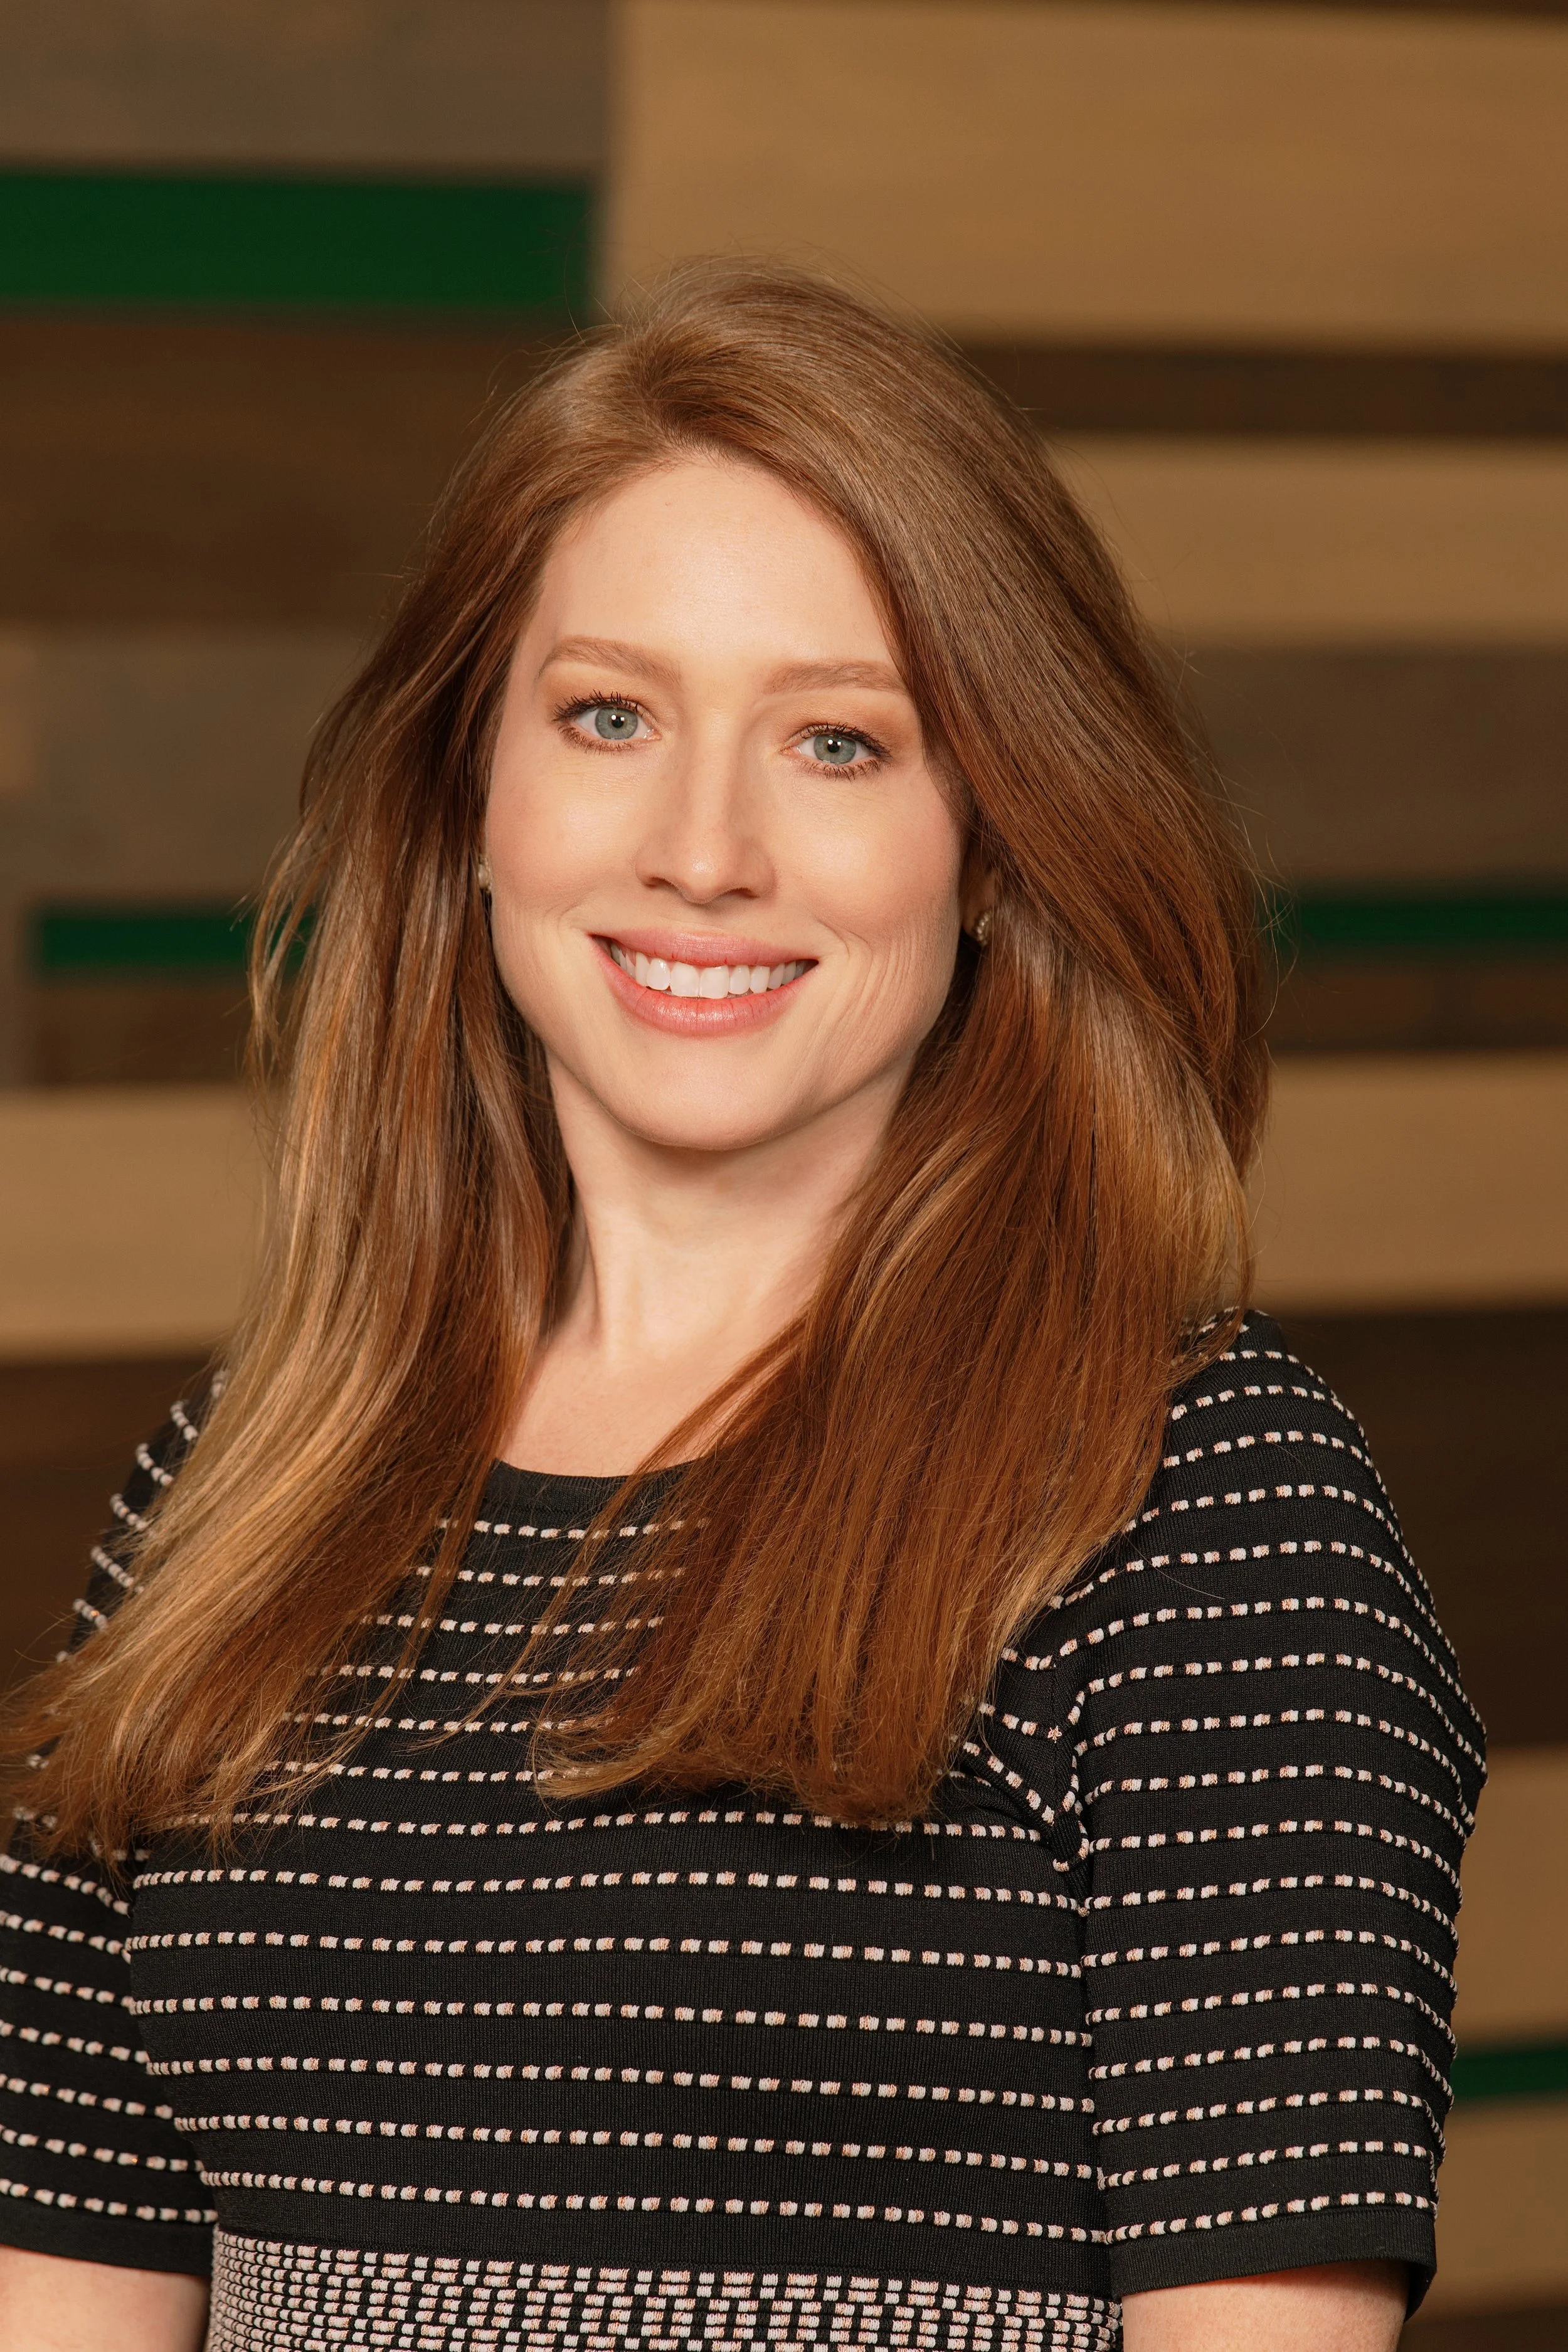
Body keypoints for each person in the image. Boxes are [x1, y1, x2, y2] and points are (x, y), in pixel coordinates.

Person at [0, 263, 1481, 2352]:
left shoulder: (1201, 1509)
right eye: (608, 715)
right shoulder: (237, 1486)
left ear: (987, 842)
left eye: (838, 742)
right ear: (470, 799)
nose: (705, 847)